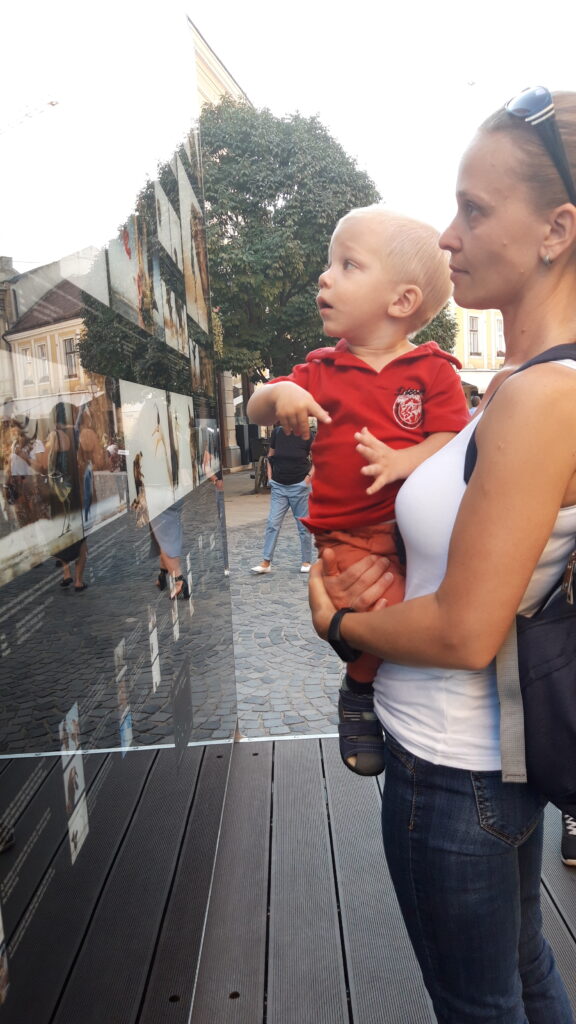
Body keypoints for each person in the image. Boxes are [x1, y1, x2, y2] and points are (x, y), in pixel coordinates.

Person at [308, 87, 576, 1022]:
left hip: (452, 769)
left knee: (479, 1005)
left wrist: (342, 623)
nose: (449, 237)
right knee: (524, 973)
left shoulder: (541, 397)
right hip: (489, 762)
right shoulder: (523, 384)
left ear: (556, 231)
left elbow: (466, 631)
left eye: (474, 209)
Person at [247, 206, 469, 775]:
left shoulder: (433, 370)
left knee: (413, 609)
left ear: (402, 300)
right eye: (330, 263)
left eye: (348, 265)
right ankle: (359, 690)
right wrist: (280, 396)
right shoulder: (320, 370)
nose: (324, 277)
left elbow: (450, 436)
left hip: (410, 531)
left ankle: (371, 687)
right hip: (347, 530)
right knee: (378, 606)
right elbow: (255, 406)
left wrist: (402, 461)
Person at [249, 425, 313, 574]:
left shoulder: (306, 433)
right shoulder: (277, 432)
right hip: (279, 487)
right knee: (273, 523)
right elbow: (270, 456)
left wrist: (307, 480)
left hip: (299, 487)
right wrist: (270, 478)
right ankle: (266, 562)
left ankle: (306, 561)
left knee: (303, 526)